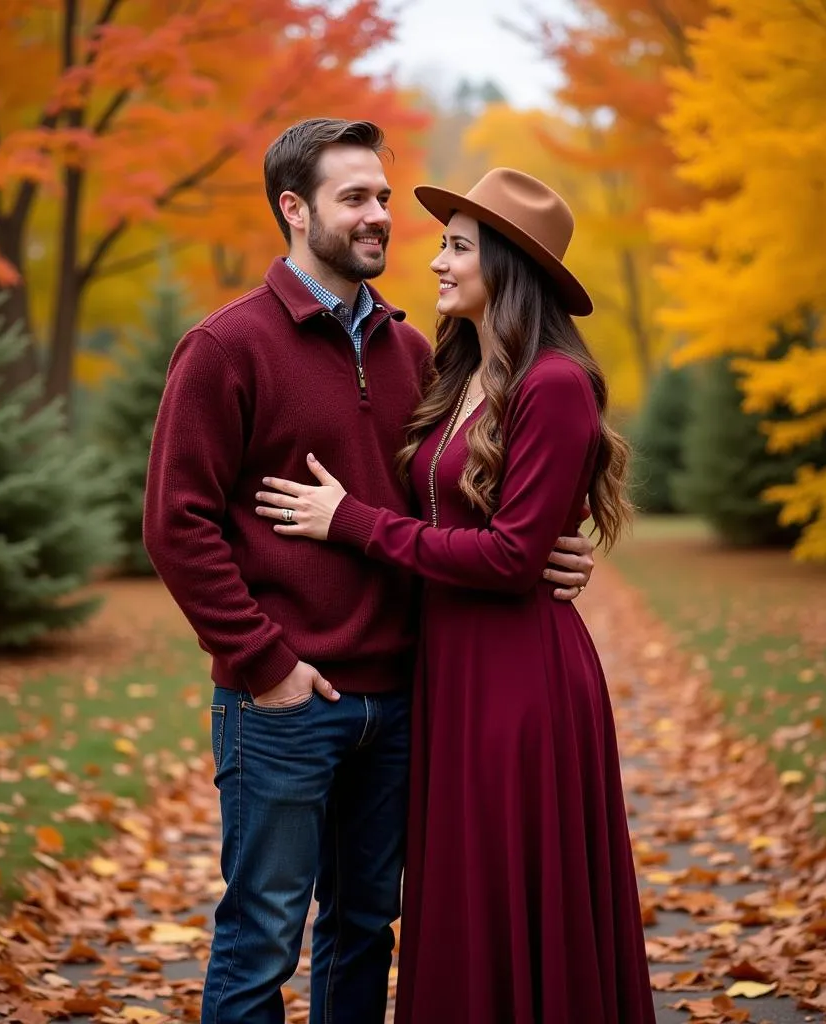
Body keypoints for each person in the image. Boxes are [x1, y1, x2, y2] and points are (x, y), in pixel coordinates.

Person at [142, 121, 595, 1024]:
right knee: (263, 934)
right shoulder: (227, 345)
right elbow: (175, 525)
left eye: (383, 198)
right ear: (294, 208)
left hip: (398, 699)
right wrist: (263, 664)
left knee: (363, 930)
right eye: (356, 198)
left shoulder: (413, 353)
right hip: (285, 702)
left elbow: (454, 503)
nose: (380, 216)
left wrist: (550, 547)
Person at [254, 167, 657, 1024]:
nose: (434, 259)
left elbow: (512, 556)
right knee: (462, 893)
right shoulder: (457, 368)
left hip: (521, 683)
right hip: (447, 670)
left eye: (458, 247)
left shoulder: (554, 384)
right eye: (441, 242)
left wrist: (349, 523)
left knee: (512, 885)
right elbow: (465, 518)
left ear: (508, 265)